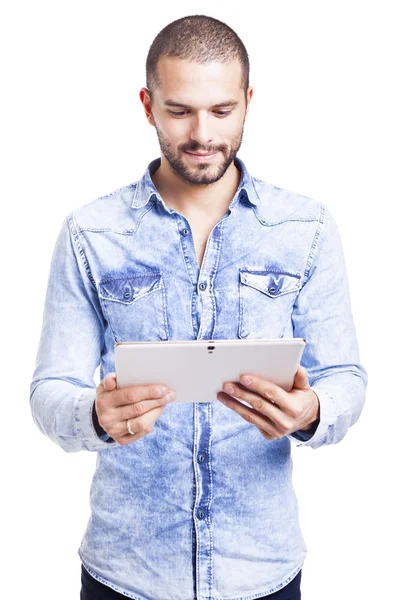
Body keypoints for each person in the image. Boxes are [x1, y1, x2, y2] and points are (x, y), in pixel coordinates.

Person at [29, 14, 368, 600]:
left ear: (248, 102)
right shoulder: (91, 232)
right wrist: (95, 416)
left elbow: (347, 379)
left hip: (262, 571)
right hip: (126, 572)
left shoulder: (304, 228)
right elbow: (50, 388)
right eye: (180, 110)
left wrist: (311, 410)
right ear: (147, 105)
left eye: (221, 110)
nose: (202, 134)